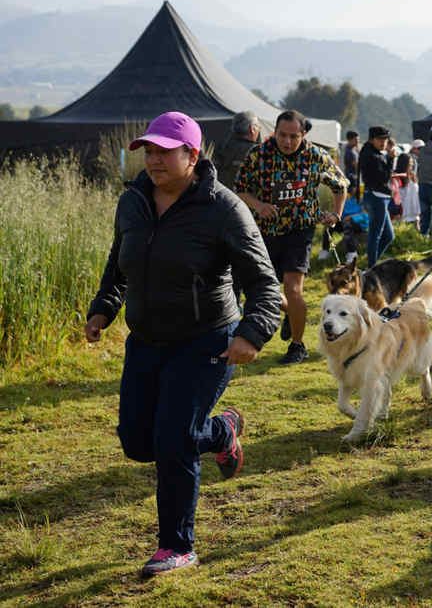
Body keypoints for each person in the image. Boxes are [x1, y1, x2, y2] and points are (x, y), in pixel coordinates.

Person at [84, 112, 280, 576]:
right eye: (148, 151)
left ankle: (177, 545)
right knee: (136, 441)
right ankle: (221, 432)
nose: (152, 160)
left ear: (192, 155)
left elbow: (265, 284)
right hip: (147, 340)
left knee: (172, 441)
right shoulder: (131, 202)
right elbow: (119, 264)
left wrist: (252, 333)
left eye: (163, 151)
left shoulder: (223, 208)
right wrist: (103, 308)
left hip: (205, 340)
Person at [235, 109, 348, 365]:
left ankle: (298, 346)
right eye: (282, 135)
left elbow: (340, 185)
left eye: (293, 136)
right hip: (266, 230)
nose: (286, 142)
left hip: (300, 229)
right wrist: (259, 205)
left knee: (293, 288)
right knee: (264, 289)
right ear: (274, 132)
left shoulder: (315, 156)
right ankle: (291, 314)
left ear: (303, 134)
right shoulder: (258, 155)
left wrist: (336, 214)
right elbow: (240, 190)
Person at [359, 126, 397, 266]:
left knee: (388, 236)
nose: (383, 142)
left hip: (378, 196)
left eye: (385, 139)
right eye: (380, 139)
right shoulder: (373, 156)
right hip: (377, 197)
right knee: (376, 235)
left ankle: (372, 265)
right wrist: (391, 160)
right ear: (372, 139)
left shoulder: (371, 152)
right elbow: (385, 178)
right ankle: (371, 268)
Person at [212, 111, 261, 189]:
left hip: (219, 195)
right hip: (243, 199)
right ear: (252, 129)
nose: (259, 130)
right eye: (258, 127)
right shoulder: (257, 151)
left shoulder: (221, 147)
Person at [397, 139, 423, 225]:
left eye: (412, 164)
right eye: (410, 164)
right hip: (402, 215)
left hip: (414, 214)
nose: (411, 166)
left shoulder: (413, 177)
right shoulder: (398, 178)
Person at [343, 130, 361, 195]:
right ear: (350, 140)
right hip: (351, 178)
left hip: (353, 177)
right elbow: (356, 165)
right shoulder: (350, 152)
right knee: (352, 197)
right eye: (356, 140)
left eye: (358, 139)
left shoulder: (353, 149)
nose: (358, 141)